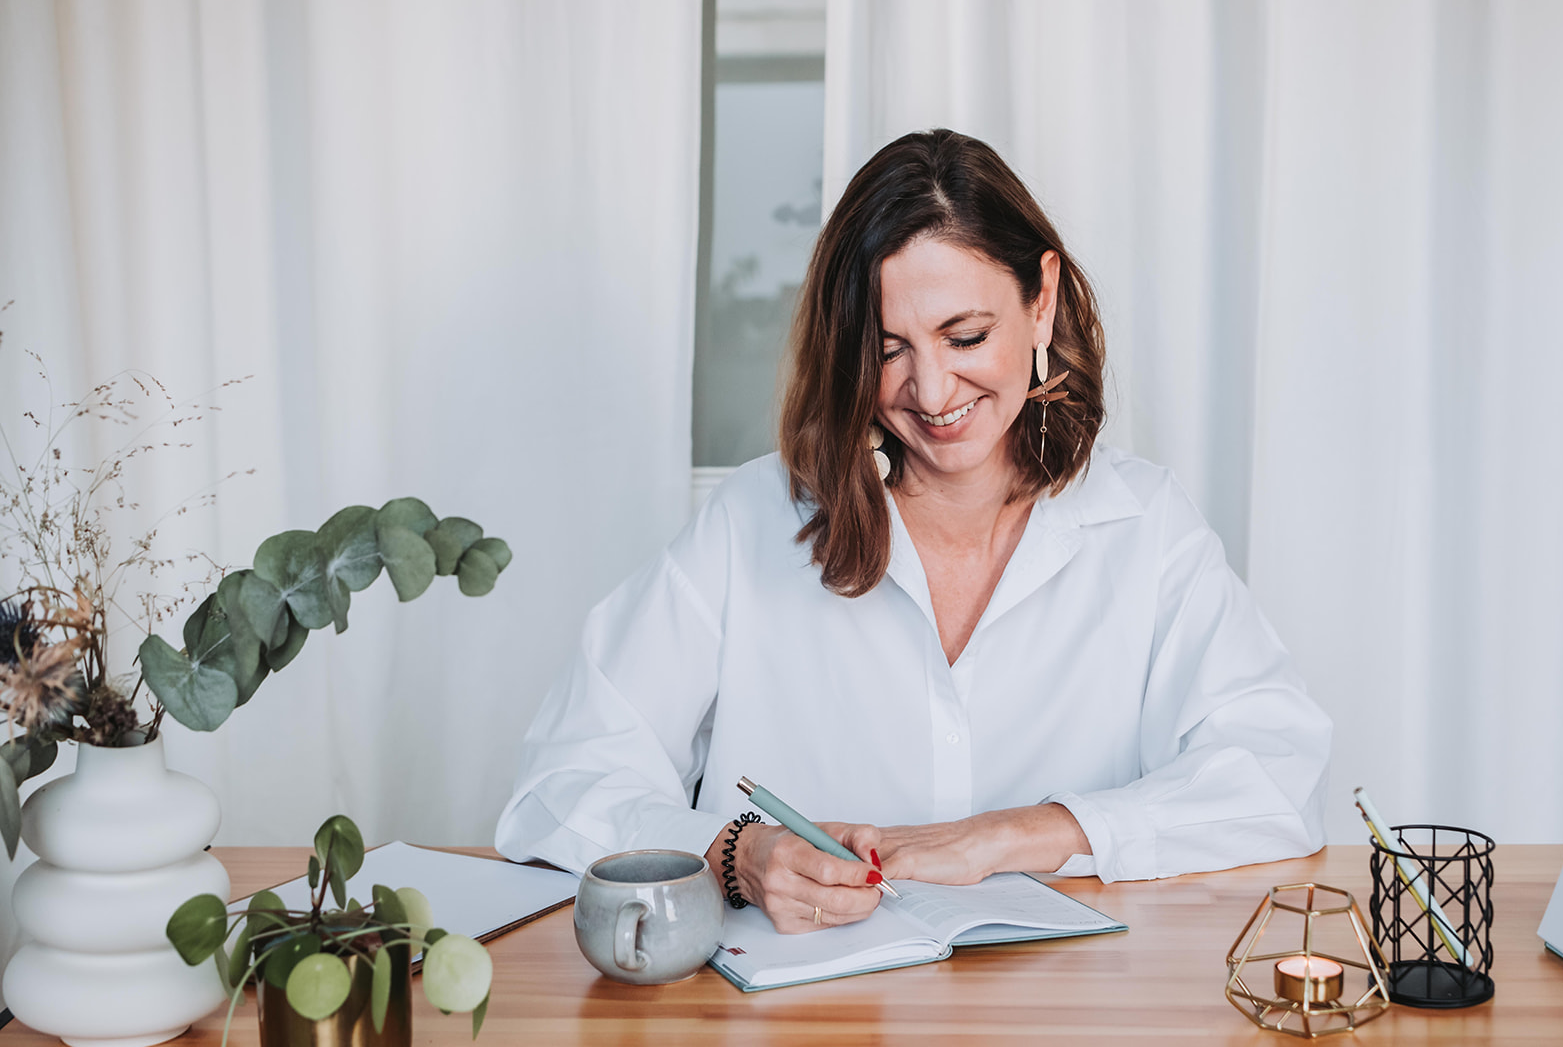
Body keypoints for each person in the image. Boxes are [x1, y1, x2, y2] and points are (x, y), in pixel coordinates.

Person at [496, 129, 1331, 934]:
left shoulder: (1144, 527)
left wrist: (1008, 835)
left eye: (965, 336)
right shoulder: (751, 524)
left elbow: (1278, 775)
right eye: (888, 347)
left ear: (1041, 303)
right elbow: (560, 784)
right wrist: (736, 853)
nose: (932, 392)